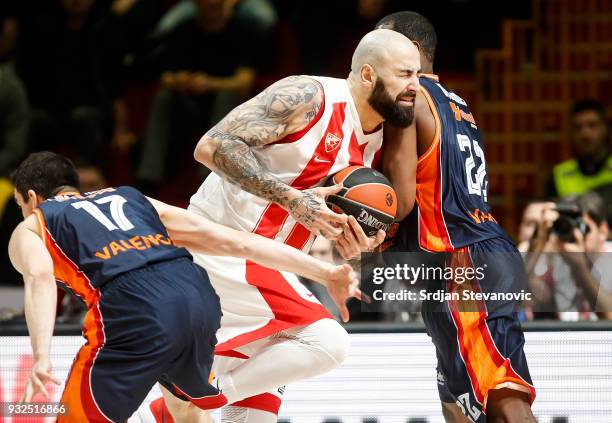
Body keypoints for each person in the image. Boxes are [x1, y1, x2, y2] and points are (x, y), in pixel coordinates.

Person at [146, 28, 420, 423]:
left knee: (251, 418)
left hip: (268, 270)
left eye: (418, 75)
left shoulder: (374, 140)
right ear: (367, 75)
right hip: (222, 250)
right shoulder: (311, 96)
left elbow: (316, 213)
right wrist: (292, 199)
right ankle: (206, 395)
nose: (414, 85)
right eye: (405, 74)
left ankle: (176, 407)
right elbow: (210, 146)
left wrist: (350, 239)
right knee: (328, 343)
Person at [9, 151, 361, 422]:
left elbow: (39, 278)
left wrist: (41, 357)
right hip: (197, 297)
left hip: (133, 309)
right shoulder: (133, 198)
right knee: (186, 409)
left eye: (19, 205)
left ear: (31, 198)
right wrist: (325, 272)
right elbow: (234, 242)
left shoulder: (34, 224)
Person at [377, 12, 536, 422]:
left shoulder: (408, 98)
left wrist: (358, 211)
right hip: (469, 253)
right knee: (456, 399)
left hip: (461, 260)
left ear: (408, 51)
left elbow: (402, 200)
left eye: (380, 46)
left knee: (504, 400)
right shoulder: (457, 102)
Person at [524, 192, 612, 321]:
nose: (576, 234)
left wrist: (580, 268)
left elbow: (609, 318)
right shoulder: (557, 258)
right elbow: (519, 297)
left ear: (603, 231)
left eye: (584, 228)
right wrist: (540, 240)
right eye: (568, 226)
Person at [545, 99, 612, 199]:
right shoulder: (559, 175)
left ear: (606, 129)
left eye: (592, 125)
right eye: (578, 127)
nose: (585, 134)